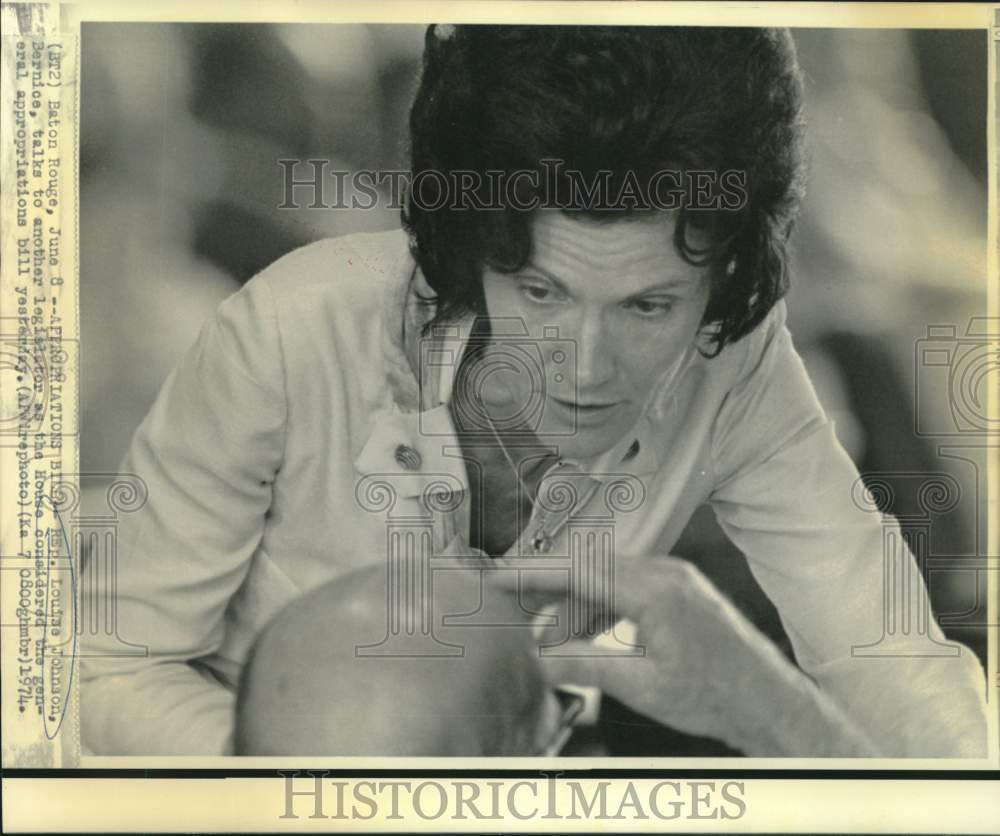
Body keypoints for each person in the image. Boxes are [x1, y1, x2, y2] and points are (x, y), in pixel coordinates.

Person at [82, 24, 988, 757]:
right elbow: (104, 670)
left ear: (724, 285)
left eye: (648, 304)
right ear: (469, 254)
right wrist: (317, 776)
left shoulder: (739, 362)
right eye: (542, 292)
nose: (584, 371)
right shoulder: (288, 332)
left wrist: (766, 710)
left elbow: (896, 663)